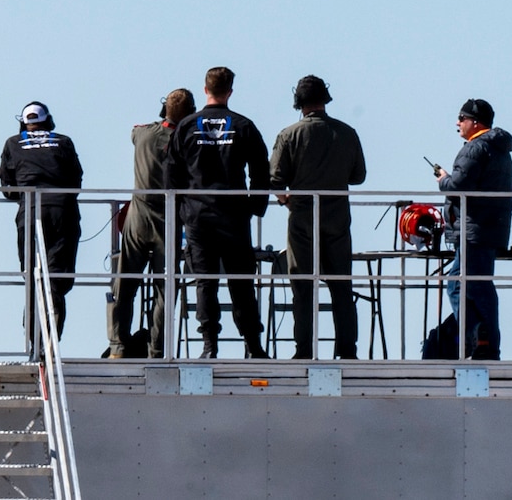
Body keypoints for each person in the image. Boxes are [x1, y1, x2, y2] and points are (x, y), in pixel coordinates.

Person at [167, 66, 271, 358]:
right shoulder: (244, 125)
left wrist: (182, 213)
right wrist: (255, 206)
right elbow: (262, 170)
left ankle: (209, 346)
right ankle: (254, 346)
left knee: (205, 282)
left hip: (198, 218)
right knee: (242, 283)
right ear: (230, 92)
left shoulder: (186, 126)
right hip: (234, 217)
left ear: (205, 90)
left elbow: (170, 177)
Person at [269, 75, 367, 360]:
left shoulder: (288, 135)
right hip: (337, 218)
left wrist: (286, 198)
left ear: (298, 103)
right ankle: (347, 351)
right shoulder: (347, 133)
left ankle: (304, 350)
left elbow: (275, 180)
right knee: (341, 287)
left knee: (302, 286)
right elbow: (358, 176)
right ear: (325, 99)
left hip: (302, 218)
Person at [107, 88, 195, 358]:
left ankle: (118, 345)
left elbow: (134, 131)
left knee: (124, 284)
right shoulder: (188, 140)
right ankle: (158, 349)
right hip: (167, 221)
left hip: (137, 218)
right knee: (165, 289)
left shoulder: (142, 133)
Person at [0, 101, 84, 340]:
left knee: (32, 273)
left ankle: (35, 337)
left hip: (30, 210)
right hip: (63, 211)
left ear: (23, 123)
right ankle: (49, 337)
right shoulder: (64, 141)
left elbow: (7, 187)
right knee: (58, 276)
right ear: (49, 121)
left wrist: (25, 196)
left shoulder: (13, 143)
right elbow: (76, 180)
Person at [435, 98, 512, 359]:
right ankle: (482, 342)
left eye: (461, 118)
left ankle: (479, 338)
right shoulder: (499, 149)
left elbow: (458, 187)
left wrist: (444, 179)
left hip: (474, 228)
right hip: (489, 228)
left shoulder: (475, 148)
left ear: (475, 122)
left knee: (461, 286)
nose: (457, 123)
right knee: (477, 285)